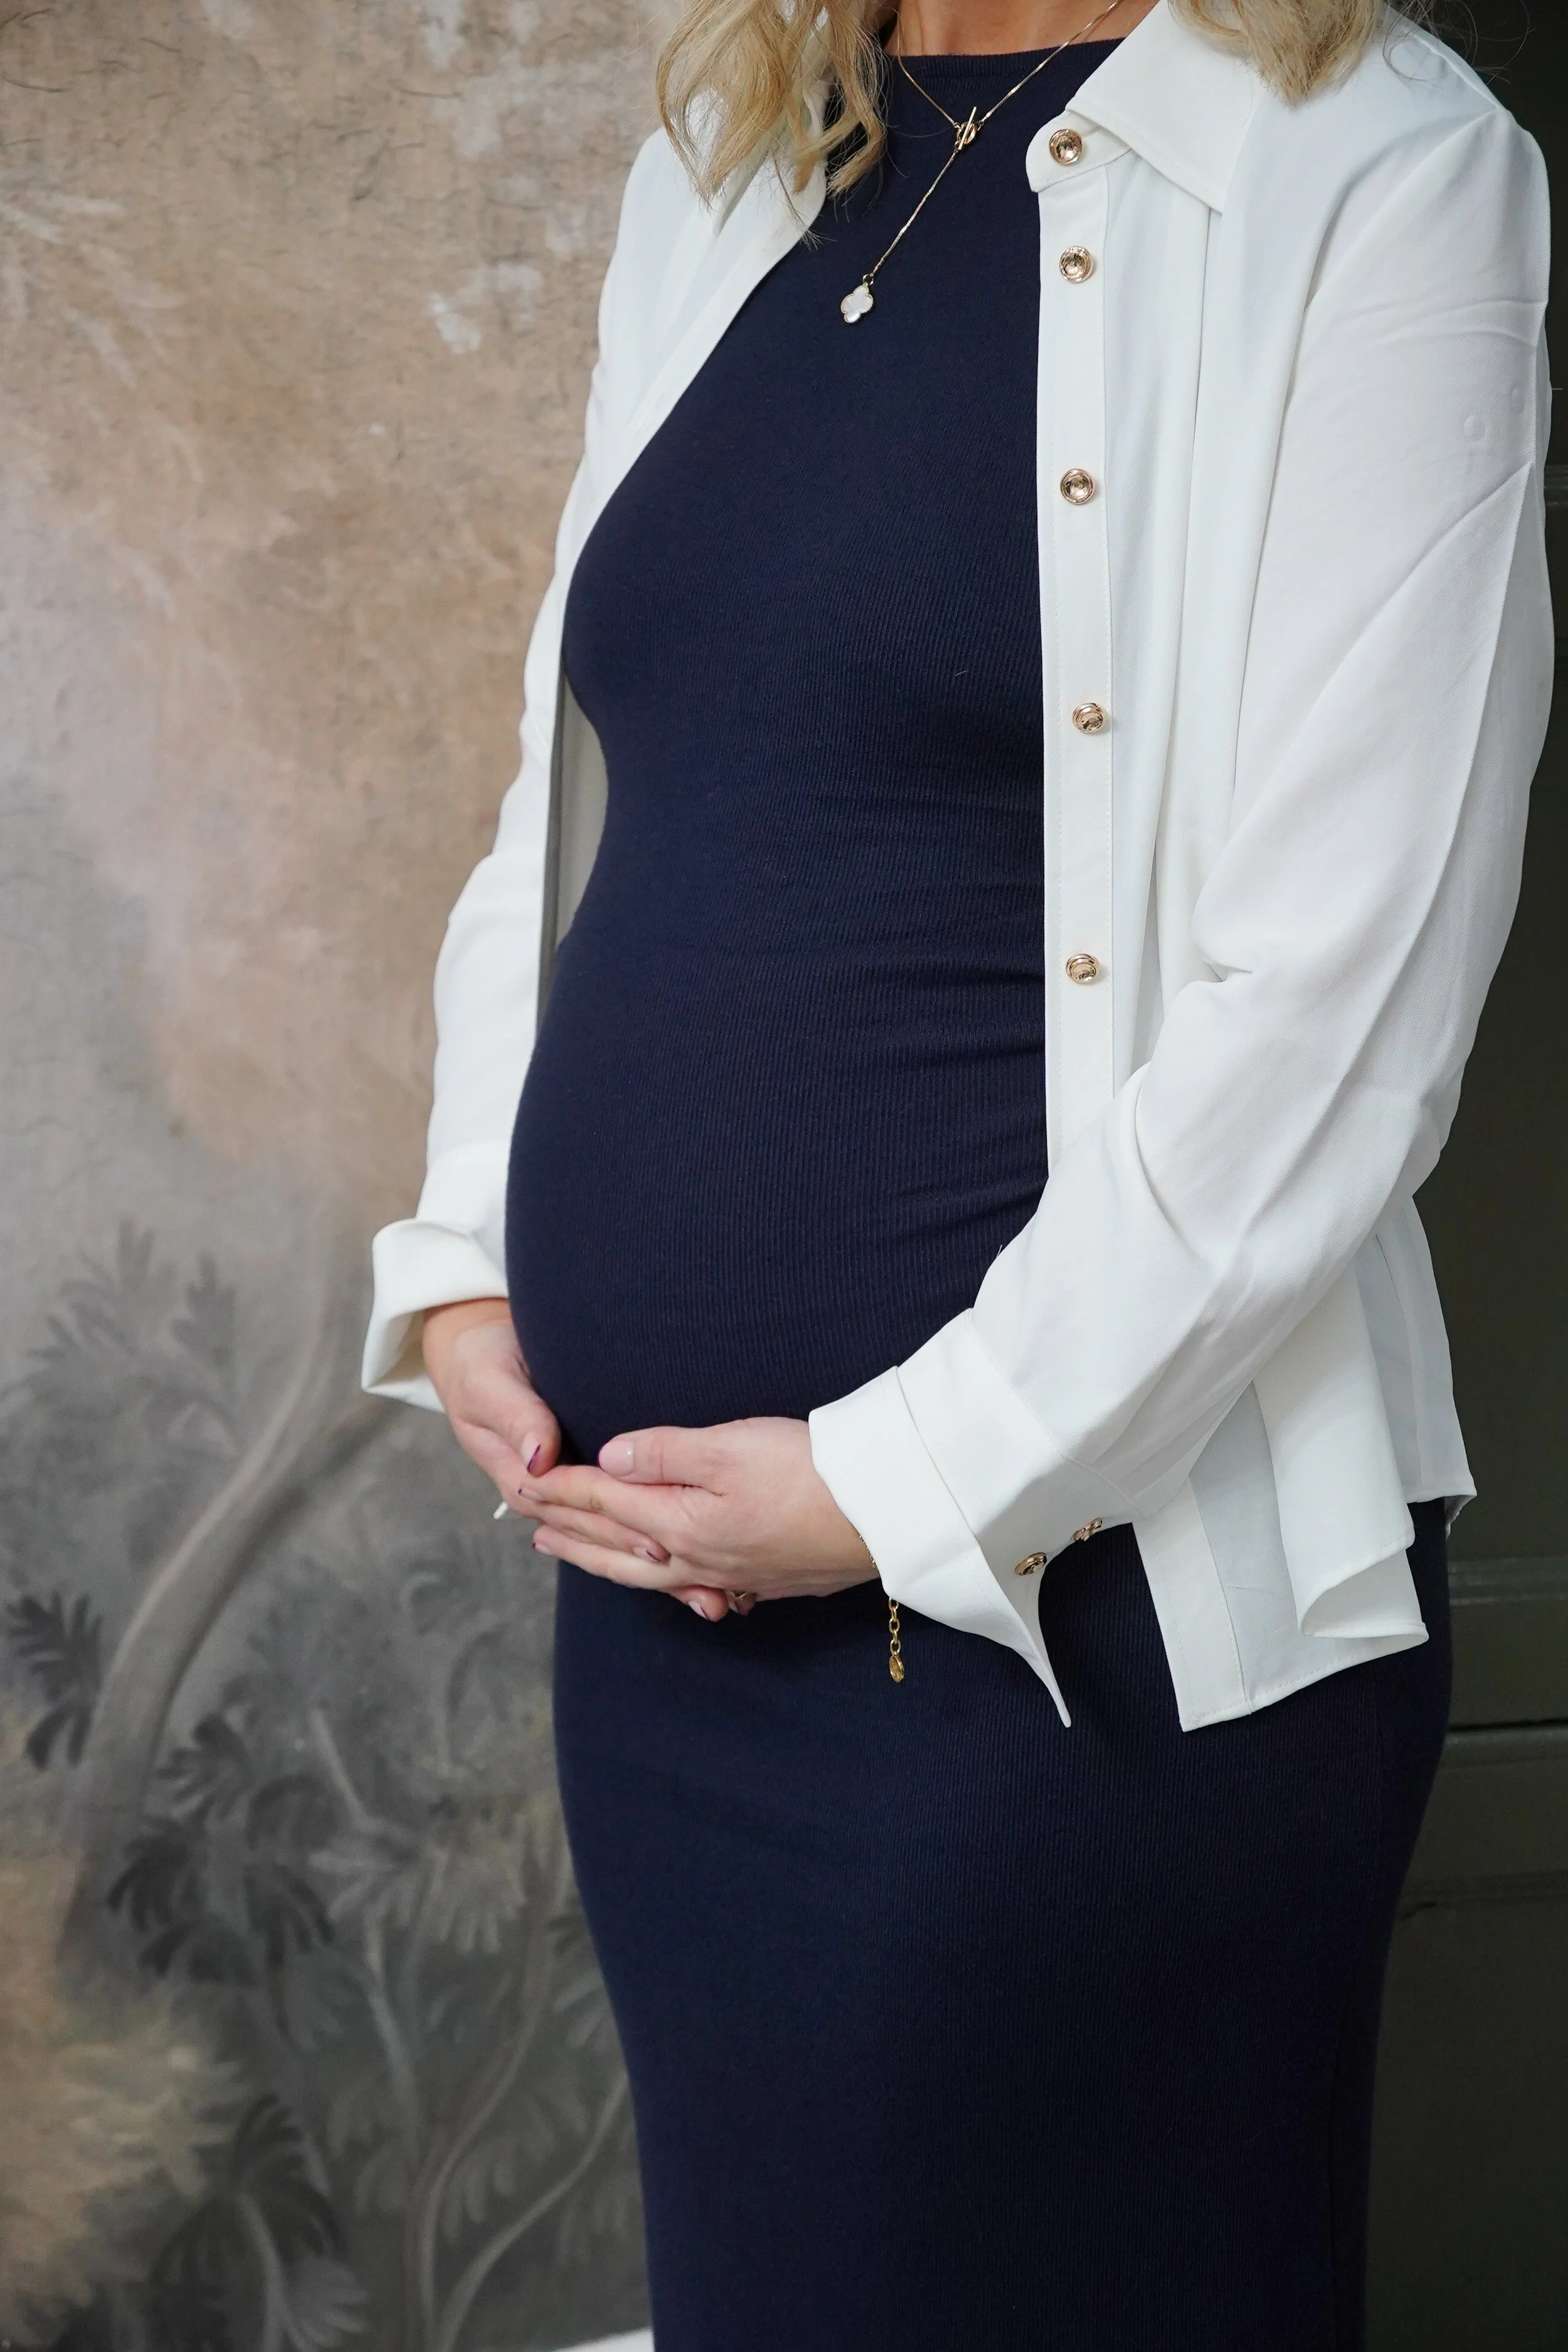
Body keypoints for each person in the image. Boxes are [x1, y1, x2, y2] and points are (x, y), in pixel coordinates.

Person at [363, 0, 1551, 2341]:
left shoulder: (1383, 168)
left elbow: (1346, 991)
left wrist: (897, 1478)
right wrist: (469, 1252)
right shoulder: (728, 163)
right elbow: (585, 781)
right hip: (668, 1631)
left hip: (1087, 1665)